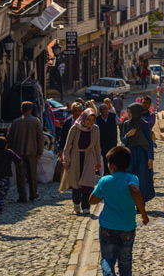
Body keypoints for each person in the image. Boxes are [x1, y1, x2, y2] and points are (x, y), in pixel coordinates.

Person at [89, 146, 149, 276]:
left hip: (107, 227)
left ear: (112, 165)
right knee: (125, 260)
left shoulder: (105, 180)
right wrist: (143, 215)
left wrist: (102, 190)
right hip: (127, 227)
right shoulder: (132, 178)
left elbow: (92, 200)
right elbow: (135, 191)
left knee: (107, 258)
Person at [60, 107, 102, 215]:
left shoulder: (95, 129)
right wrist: (66, 160)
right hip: (76, 157)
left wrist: (98, 162)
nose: (90, 123)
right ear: (84, 118)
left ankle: (86, 206)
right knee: (76, 183)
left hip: (89, 158)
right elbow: (67, 145)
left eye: (92, 120)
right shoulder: (75, 128)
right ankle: (76, 202)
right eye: (88, 120)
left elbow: (97, 147)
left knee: (88, 183)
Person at [6, 100, 45, 202]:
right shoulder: (36, 121)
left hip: (18, 152)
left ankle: (22, 196)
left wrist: (10, 151)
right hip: (32, 152)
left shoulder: (16, 122)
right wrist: (40, 151)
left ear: (21, 110)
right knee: (32, 174)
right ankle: (33, 194)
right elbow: (40, 138)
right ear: (31, 110)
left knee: (20, 175)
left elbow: (10, 138)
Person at [120, 103, 155, 203]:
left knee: (141, 178)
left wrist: (150, 158)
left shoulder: (145, 124)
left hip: (142, 154)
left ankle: (141, 202)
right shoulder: (126, 124)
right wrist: (128, 135)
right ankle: (130, 201)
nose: (129, 114)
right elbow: (123, 140)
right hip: (130, 154)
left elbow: (149, 142)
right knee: (129, 177)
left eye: (131, 112)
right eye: (128, 112)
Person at [97, 103, 120, 174]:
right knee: (104, 157)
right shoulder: (98, 119)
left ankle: (113, 171)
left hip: (112, 140)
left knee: (112, 156)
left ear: (107, 109)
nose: (103, 111)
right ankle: (106, 172)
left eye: (104, 109)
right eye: (101, 110)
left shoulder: (113, 116)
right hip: (103, 142)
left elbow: (120, 123)